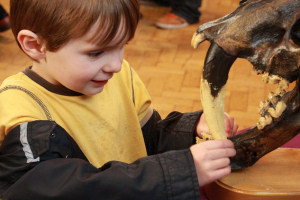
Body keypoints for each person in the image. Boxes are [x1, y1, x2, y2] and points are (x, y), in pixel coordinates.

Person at [0, 0, 237, 199]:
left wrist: (189, 128)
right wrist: (181, 170)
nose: (115, 65)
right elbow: (58, 189)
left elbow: (146, 140)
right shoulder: (20, 107)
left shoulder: (120, 75)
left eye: (121, 45)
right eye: (96, 53)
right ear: (34, 45)